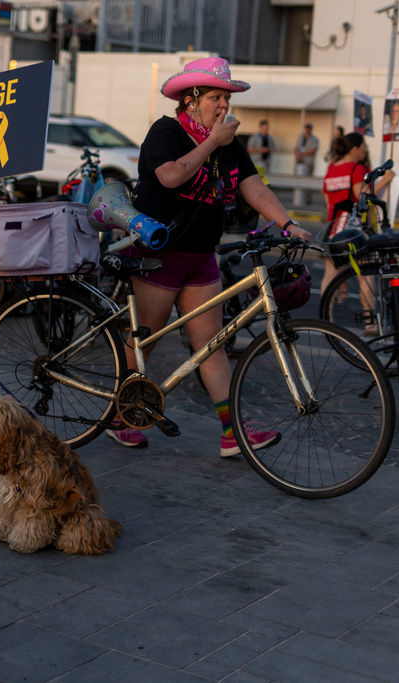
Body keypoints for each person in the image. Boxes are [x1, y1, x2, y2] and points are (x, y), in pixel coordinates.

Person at [103, 57, 311, 457]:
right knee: (143, 339)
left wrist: (288, 224)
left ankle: (232, 431)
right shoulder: (167, 131)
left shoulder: (230, 142)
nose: (224, 105)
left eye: (226, 97)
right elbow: (169, 176)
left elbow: (254, 187)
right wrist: (210, 143)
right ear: (191, 100)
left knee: (210, 345)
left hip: (200, 256)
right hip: (159, 253)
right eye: (216, 96)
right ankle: (119, 414)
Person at [319, 132, 395, 296]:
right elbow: (363, 195)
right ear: (354, 149)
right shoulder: (356, 167)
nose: (365, 150)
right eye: (363, 147)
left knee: (330, 276)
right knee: (366, 275)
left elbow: (326, 196)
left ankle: (325, 319)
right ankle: (370, 322)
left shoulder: (332, 167)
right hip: (353, 230)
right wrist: (385, 180)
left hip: (333, 226)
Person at [293, 123, 319, 203]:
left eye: (309, 128)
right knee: (298, 180)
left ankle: (307, 200)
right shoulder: (301, 138)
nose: (307, 130)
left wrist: (302, 153)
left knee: (308, 180)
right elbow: (296, 148)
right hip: (299, 161)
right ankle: (297, 199)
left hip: (308, 162)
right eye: (306, 128)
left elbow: (312, 151)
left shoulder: (314, 139)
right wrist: (298, 155)